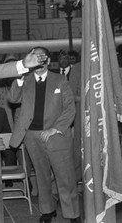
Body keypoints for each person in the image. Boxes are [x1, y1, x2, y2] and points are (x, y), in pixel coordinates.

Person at [8, 47, 80, 223]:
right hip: (32, 136)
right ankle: (47, 210)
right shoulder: (24, 80)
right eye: (35, 57)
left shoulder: (60, 80)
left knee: (65, 176)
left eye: (42, 58)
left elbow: (70, 108)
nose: (39, 61)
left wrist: (55, 128)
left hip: (56, 136)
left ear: (48, 61)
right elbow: (13, 99)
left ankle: (72, 214)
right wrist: (19, 78)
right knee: (41, 176)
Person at [54, 50, 82, 182]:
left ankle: (75, 176)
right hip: (59, 116)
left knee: (75, 148)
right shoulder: (52, 74)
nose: (64, 61)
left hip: (76, 116)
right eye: (62, 58)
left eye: (67, 58)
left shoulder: (76, 71)